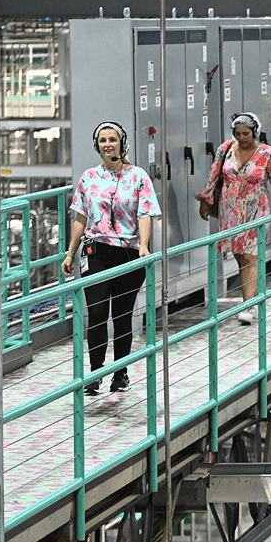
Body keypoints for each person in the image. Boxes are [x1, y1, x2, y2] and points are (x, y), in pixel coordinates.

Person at [63, 121, 160, 395]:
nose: (108, 144)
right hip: (97, 252)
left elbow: (145, 213)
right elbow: (80, 218)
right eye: (103, 140)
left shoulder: (138, 176)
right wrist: (70, 252)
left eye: (113, 140)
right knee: (96, 313)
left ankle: (120, 373)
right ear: (97, 146)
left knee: (121, 315)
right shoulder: (88, 178)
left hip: (129, 252)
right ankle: (95, 374)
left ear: (122, 144)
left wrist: (143, 246)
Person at [194, 112, 271, 325]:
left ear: (255, 132)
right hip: (230, 211)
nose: (241, 137)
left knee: (250, 256)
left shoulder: (268, 154)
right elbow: (214, 176)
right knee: (241, 257)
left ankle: (247, 307)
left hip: (256, 212)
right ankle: (253, 298)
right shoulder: (226, 149)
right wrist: (206, 200)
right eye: (238, 133)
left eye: (246, 133)